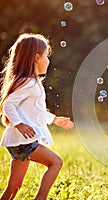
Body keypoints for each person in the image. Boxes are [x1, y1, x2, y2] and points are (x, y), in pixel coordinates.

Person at [0, 33, 74, 200]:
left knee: (14, 186)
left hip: (19, 142)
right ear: (37, 58)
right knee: (56, 162)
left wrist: (55, 119)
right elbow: (8, 104)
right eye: (47, 55)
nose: (48, 60)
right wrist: (19, 124)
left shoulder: (30, 82)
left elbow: (35, 112)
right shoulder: (29, 83)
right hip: (24, 141)